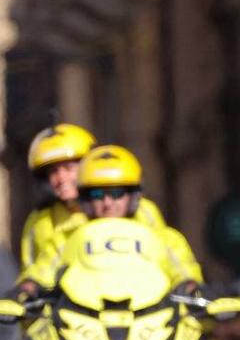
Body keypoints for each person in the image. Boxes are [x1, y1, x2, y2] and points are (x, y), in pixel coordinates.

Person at [23, 145, 202, 292]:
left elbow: (182, 269)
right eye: (97, 194)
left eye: (117, 193)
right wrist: (27, 289)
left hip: (150, 320)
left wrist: (190, 286)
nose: (108, 203)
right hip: (85, 322)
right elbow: (42, 270)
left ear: (133, 197)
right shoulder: (67, 237)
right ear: (85, 199)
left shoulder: (163, 238)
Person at [17, 125, 167, 296]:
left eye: (68, 169)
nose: (60, 179)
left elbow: (166, 253)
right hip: (70, 312)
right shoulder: (40, 221)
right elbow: (35, 272)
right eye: (53, 172)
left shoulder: (140, 209)